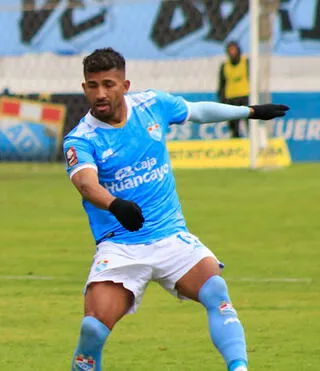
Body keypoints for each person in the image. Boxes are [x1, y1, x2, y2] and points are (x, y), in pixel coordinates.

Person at [64, 48, 288, 371]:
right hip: (121, 246)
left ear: (125, 86)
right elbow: (86, 184)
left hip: (170, 236)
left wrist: (250, 112)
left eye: (108, 84)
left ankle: (239, 368)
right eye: (93, 85)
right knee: (92, 328)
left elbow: (197, 111)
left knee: (216, 291)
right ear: (84, 88)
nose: (100, 93)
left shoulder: (151, 105)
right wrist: (115, 205)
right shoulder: (81, 138)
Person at [217, 41, 250, 138]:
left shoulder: (246, 62)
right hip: (231, 97)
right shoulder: (225, 66)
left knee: (250, 123)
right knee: (233, 127)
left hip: (245, 96)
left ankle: (252, 144)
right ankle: (236, 144)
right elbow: (222, 83)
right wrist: (222, 99)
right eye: (230, 50)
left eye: (234, 49)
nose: (232, 52)